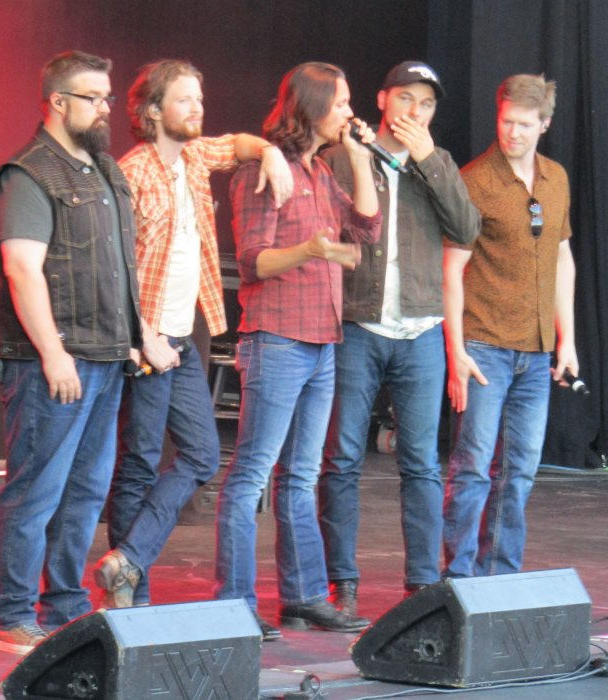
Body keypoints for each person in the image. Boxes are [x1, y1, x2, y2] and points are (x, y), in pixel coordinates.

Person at [93, 60, 294, 611]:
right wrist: (143, 336)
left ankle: (129, 560)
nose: (197, 108)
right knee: (140, 462)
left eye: (199, 98)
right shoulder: (132, 173)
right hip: (148, 340)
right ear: (153, 110)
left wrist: (270, 152)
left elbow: (238, 145)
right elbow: (115, 267)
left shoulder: (196, 157)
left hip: (180, 339)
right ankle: (132, 596)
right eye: (184, 99)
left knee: (203, 456)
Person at [214, 62, 381, 639]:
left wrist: (361, 156)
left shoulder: (320, 171)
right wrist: (310, 250)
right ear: (311, 106)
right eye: (342, 103)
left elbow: (365, 229)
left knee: (302, 474)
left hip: (322, 340)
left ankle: (303, 596)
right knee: (252, 473)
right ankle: (233, 602)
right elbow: (253, 261)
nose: (350, 112)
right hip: (277, 338)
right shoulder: (263, 172)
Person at [0, 51, 142, 655]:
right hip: (53, 360)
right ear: (57, 101)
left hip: (106, 355)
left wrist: (138, 334)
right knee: (36, 491)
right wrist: (52, 353)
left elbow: (118, 266)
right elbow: (22, 269)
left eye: (107, 97)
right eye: (92, 98)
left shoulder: (103, 170)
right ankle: (12, 614)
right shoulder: (29, 174)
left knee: (84, 492)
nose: (105, 108)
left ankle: (66, 605)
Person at [317, 61, 480, 614]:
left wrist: (428, 159)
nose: (416, 111)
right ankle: (342, 582)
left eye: (426, 104)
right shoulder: (342, 156)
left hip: (421, 329)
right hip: (356, 324)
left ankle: (421, 585)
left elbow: (467, 229)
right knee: (342, 457)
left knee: (421, 462)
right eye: (406, 98)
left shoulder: (439, 163)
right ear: (383, 99)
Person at [442, 74, 578, 578]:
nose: (512, 133)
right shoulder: (475, 181)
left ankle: (500, 579)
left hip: (536, 351)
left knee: (519, 471)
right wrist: (456, 351)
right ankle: (459, 579)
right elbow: (450, 271)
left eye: (523, 124)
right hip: (485, 345)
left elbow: (562, 259)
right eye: (506, 122)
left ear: (544, 124)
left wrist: (567, 339)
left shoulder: (555, 178)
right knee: (473, 467)